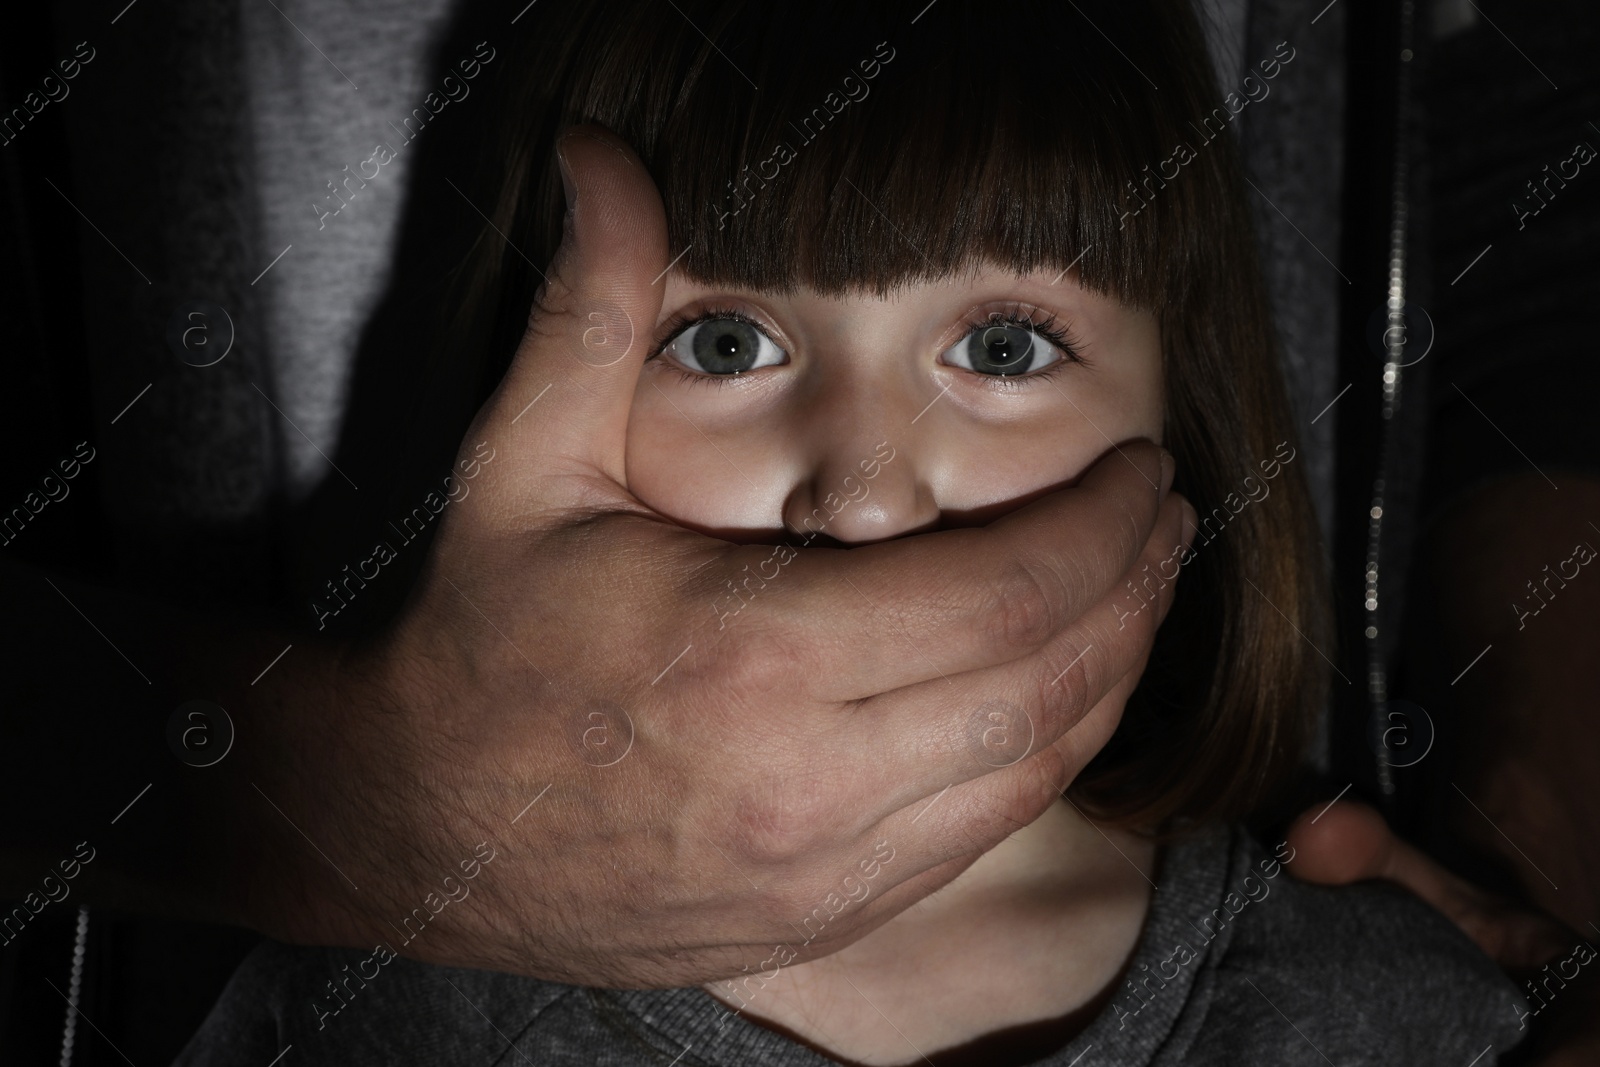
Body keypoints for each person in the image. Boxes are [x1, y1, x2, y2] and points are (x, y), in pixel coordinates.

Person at [172, 1, 1525, 1063]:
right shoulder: (365, 1006)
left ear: (1194, 410)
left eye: (1002, 345)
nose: (865, 498)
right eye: (726, 340)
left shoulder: (1378, 1009)